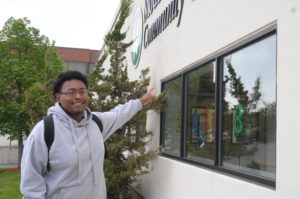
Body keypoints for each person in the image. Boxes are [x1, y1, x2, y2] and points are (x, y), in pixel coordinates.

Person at [20, 70, 156, 199]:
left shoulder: (96, 123)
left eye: (82, 91)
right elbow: (31, 183)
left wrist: (142, 101)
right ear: (58, 97)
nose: (78, 96)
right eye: (71, 92)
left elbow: (119, 114)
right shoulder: (44, 131)